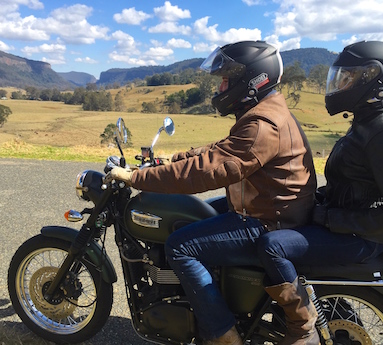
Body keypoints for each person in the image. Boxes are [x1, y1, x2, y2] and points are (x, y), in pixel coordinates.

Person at [110, 40, 317, 345]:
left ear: (250, 80)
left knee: (180, 245)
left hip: (268, 217)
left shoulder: (263, 124)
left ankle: (222, 333)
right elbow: (220, 151)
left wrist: (139, 177)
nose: (221, 87)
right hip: (266, 204)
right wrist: (174, 159)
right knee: (192, 217)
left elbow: (207, 171)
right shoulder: (264, 111)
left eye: (226, 80)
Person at [256, 40, 383, 344]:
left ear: (376, 81)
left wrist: (330, 218)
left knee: (273, 246)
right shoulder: (366, 123)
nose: (340, 84)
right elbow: (352, 185)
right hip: (346, 228)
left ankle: (302, 331)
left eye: (348, 78)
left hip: (358, 239)